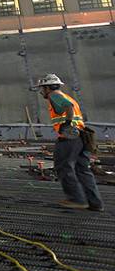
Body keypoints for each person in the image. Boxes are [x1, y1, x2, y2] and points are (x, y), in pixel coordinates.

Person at [36, 74, 103, 211]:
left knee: (63, 166)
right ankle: (95, 202)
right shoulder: (67, 96)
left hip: (69, 137)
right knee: (82, 169)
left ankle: (76, 199)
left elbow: (68, 107)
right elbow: (69, 106)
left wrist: (67, 124)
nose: (41, 91)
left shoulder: (54, 95)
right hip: (81, 137)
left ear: (48, 87)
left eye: (42, 88)